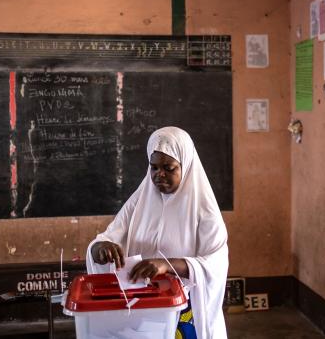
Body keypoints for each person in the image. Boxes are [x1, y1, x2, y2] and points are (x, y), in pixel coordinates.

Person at [86, 126, 229, 338]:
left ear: (186, 166)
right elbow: (107, 238)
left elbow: (215, 263)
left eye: (169, 168)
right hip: (140, 305)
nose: (159, 174)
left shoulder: (204, 211)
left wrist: (166, 264)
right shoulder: (139, 200)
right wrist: (101, 248)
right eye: (153, 167)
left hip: (184, 312)